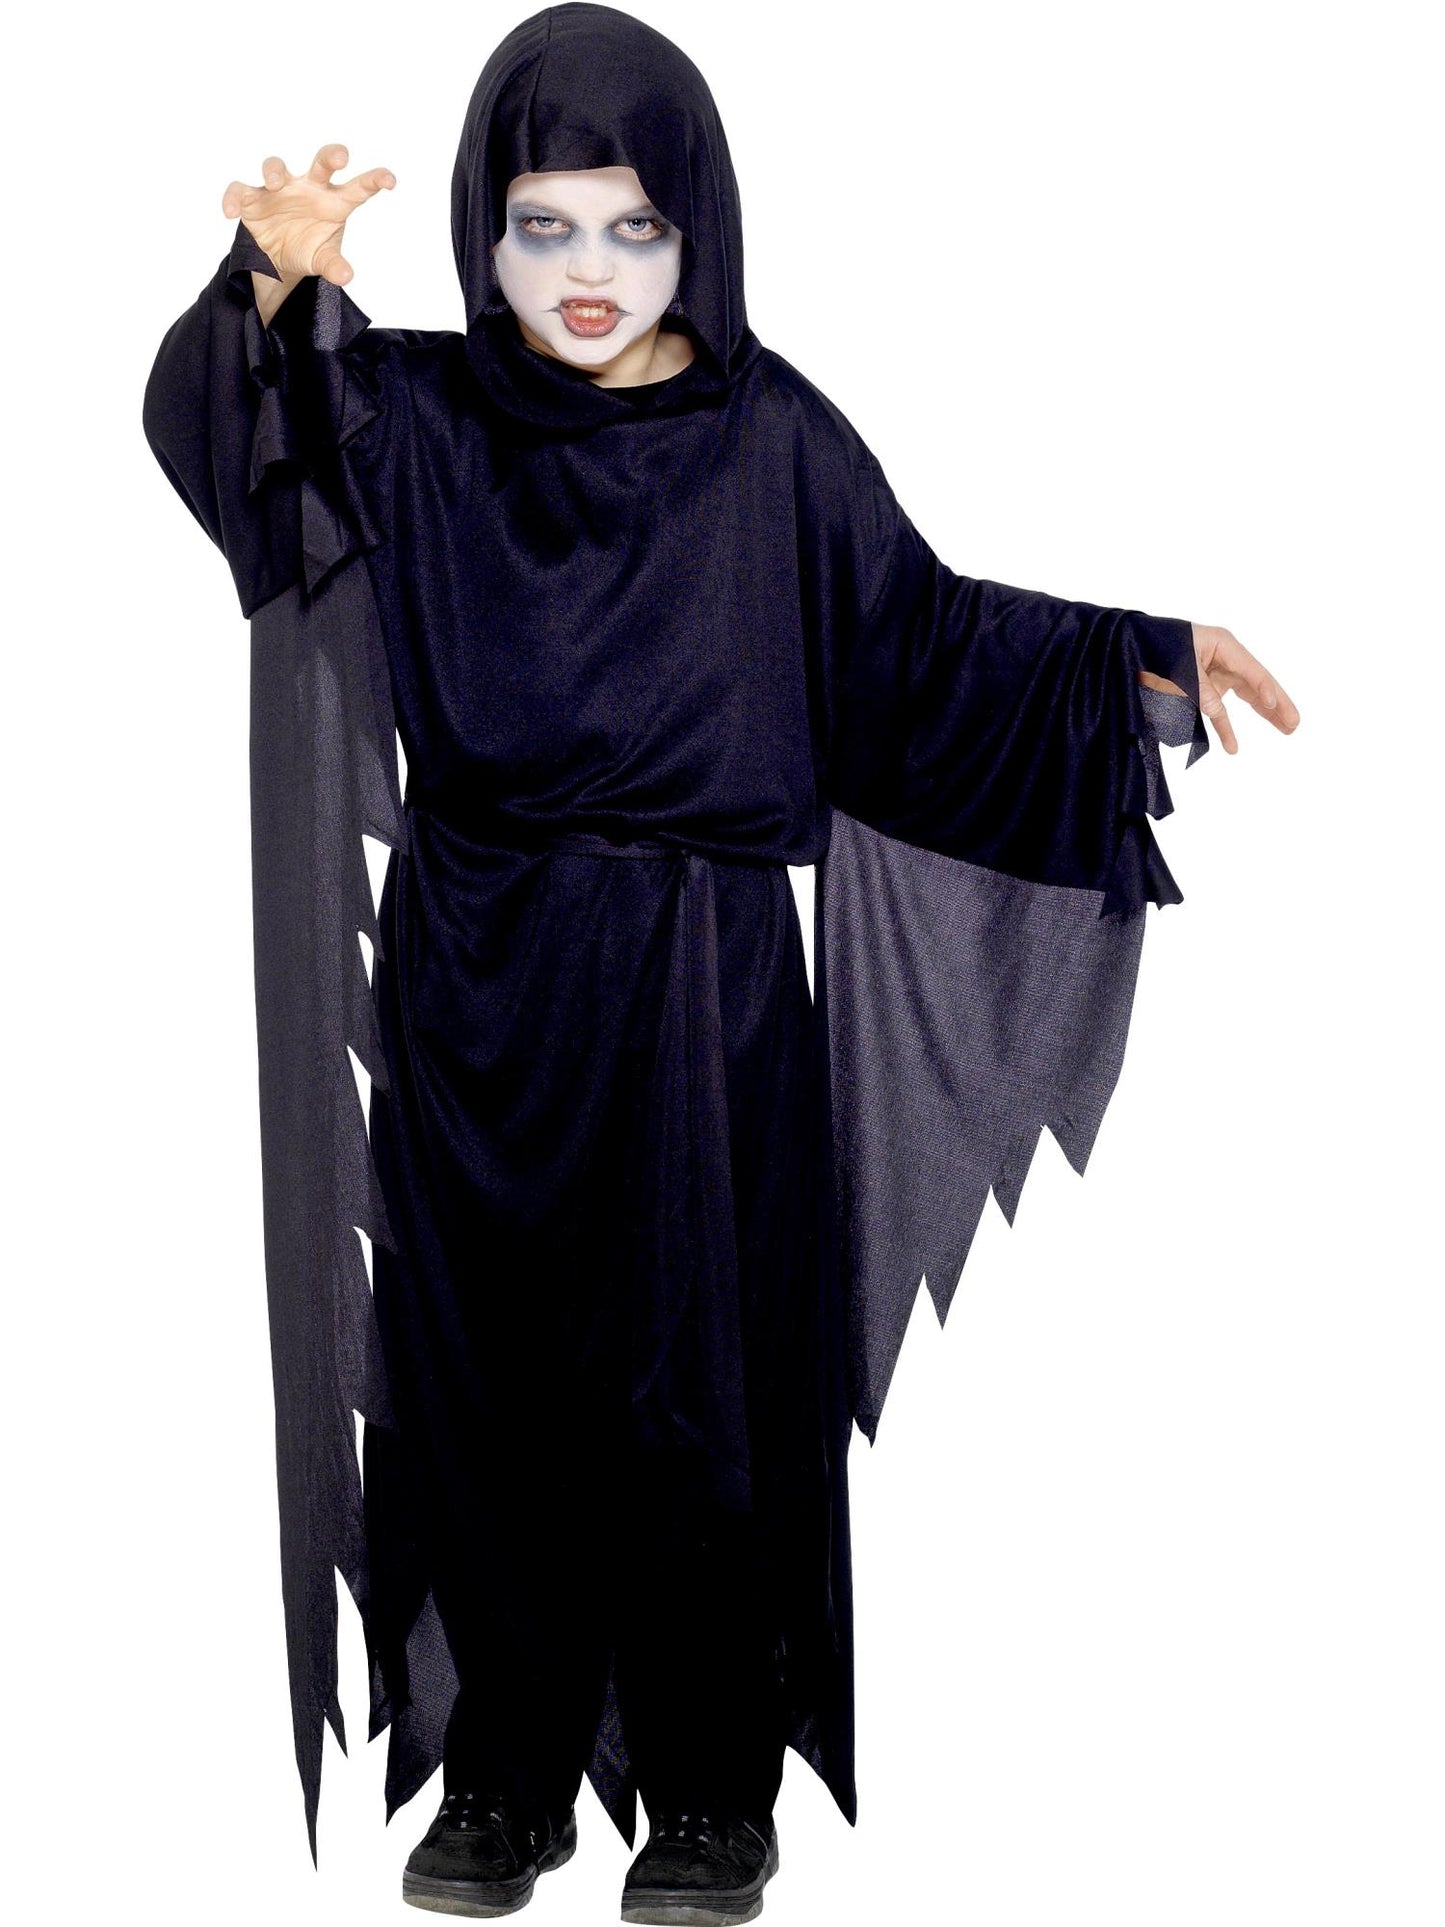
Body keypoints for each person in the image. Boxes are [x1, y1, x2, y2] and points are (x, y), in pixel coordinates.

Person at [141, 6, 1299, 1923]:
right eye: (540, 225)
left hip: (702, 976)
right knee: (484, 1371)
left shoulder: (773, 439)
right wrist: (269, 289)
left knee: (704, 1383)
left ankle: (707, 1793)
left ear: (700, 231)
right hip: (481, 968)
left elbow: (917, 650)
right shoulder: (416, 418)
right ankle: (503, 1774)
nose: (585, 271)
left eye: (633, 226)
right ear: (483, 229)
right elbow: (235, 456)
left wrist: (1133, 656)